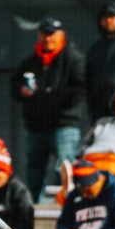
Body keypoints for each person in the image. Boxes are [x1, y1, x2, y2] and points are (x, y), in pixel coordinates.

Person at [11, 16, 86, 200]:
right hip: (37, 125)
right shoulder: (30, 62)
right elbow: (15, 87)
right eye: (44, 34)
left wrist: (49, 97)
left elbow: (81, 90)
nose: (48, 38)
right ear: (39, 35)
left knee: (65, 168)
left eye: (52, 34)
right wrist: (22, 92)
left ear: (61, 35)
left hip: (64, 124)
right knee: (35, 170)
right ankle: (36, 207)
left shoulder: (73, 59)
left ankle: (67, 206)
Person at [55, 159, 115, 229]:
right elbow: (61, 224)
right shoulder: (75, 194)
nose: (84, 194)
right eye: (81, 190)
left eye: (87, 190)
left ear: (99, 179)